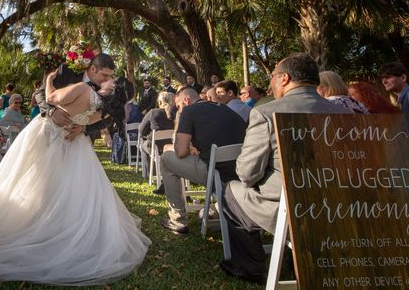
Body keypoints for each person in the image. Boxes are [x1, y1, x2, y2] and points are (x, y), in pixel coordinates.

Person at [0, 70, 150, 285]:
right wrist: (69, 118)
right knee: (60, 186)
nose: (107, 79)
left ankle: (41, 225)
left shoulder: (83, 88)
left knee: (48, 183)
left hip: (57, 136)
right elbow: (54, 103)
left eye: (110, 78)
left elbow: (51, 97)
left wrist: (49, 81)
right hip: (69, 142)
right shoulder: (106, 106)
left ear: (113, 87)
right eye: (106, 75)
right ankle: (57, 224)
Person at [220, 53, 351, 284]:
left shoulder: (266, 113)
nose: (270, 82)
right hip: (346, 209)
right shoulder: (346, 113)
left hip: (291, 212)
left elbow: (247, 174)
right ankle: (293, 257)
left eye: (272, 76)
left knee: (231, 190)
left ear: (284, 78)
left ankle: (252, 266)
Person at [159, 86, 246, 235]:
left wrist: (168, 147)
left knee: (166, 159)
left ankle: (178, 220)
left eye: (179, 106)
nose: (179, 111)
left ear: (186, 101)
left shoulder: (189, 111)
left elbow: (180, 151)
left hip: (215, 173)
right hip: (240, 174)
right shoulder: (226, 109)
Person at [34, 53, 116, 141]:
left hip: (77, 139)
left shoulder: (105, 90)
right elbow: (40, 93)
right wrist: (51, 111)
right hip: (50, 129)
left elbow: (110, 117)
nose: (107, 79)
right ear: (93, 69)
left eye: (110, 75)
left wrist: (84, 128)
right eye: (104, 75)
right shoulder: (66, 70)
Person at [139, 91, 176, 181]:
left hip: (156, 147)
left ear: (159, 102)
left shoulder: (153, 112)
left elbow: (141, 131)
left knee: (143, 145)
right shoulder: (176, 113)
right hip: (172, 147)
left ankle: (148, 173)